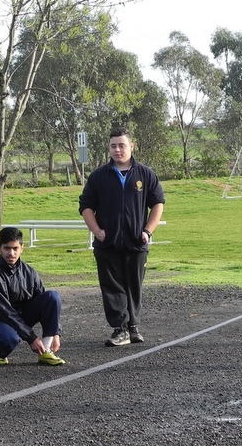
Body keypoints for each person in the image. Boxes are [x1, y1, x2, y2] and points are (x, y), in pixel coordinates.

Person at [79, 126, 165, 347]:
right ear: (108, 148)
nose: (118, 150)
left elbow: (157, 204)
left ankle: (133, 327)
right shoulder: (99, 176)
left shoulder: (145, 174)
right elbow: (86, 207)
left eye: (122, 145)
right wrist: (97, 231)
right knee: (112, 287)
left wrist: (147, 231)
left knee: (134, 285)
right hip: (107, 244)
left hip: (136, 243)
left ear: (131, 146)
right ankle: (120, 329)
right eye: (113, 146)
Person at [0, 227, 65, 366]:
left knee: (52, 297)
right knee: (9, 338)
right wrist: (31, 338)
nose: (11, 253)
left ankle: (46, 351)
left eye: (15, 248)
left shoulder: (30, 272)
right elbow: (4, 311)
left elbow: (47, 303)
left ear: (22, 248)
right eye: (7, 248)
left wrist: (55, 332)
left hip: (22, 315)